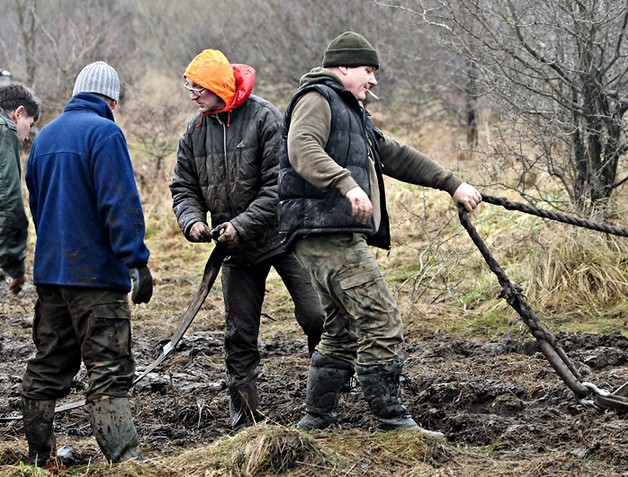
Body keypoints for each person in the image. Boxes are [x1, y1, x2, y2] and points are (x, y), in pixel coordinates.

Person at [278, 31, 483, 437]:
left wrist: (452, 183)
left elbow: (395, 154)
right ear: (344, 68)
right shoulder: (317, 99)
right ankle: (392, 422)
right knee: (381, 319)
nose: (373, 80)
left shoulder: (352, 113)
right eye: (368, 71)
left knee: (341, 329)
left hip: (327, 233)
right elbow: (301, 147)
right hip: (327, 232)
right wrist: (347, 183)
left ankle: (316, 422)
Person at [170, 49, 324, 430]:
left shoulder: (264, 118)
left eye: (198, 89)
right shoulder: (194, 131)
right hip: (234, 249)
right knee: (239, 335)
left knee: (317, 315)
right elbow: (183, 187)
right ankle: (245, 418)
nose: (192, 95)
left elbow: (279, 186)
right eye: (189, 88)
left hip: (285, 236)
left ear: (218, 87)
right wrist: (192, 222)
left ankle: (329, 389)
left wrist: (242, 223)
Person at [23, 61, 153, 465]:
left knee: (48, 366)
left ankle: (40, 458)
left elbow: (37, 203)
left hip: (50, 276)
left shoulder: (44, 137)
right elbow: (120, 203)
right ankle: (126, 462)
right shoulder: (105, 132)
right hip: (96, 279)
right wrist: (136, 261)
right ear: (111, 98)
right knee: (109, 370)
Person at [0, 83, 40, 295]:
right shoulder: (5, 130)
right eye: (30, 125)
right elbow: (8, 200)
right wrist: (15, 266)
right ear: (18, 113)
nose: (26, 137)